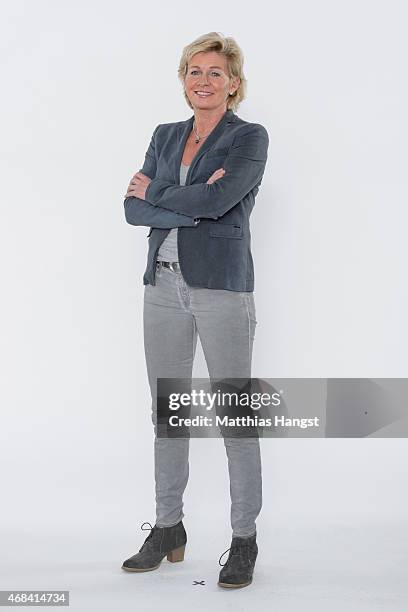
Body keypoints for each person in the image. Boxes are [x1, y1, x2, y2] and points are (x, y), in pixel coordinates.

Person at [121, 31, 269, 589]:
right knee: (169, 414)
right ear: (183, 80)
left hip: (221, 290)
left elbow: (219, 201)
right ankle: (168, 528)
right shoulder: (165, 135)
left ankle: (244, 539)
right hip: (161, 286)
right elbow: (133, 212)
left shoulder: (248, 137)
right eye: (194, 71)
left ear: (233, 83)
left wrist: (159, 194)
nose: (202, 81)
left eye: (214, 73)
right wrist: (183, 201)